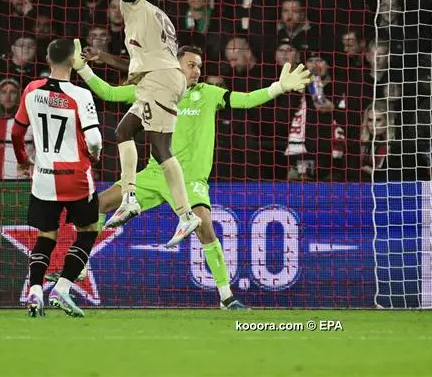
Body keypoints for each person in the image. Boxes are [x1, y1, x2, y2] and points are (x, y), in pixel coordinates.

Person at [56, 42, 310, 309]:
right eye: (191, 65)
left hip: (190, 181)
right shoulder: (152, 91)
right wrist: (83, 68)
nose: (197, 71)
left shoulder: (209, 94)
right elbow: (107, 93)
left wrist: (279, 87)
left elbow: (245, 100)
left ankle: (226, 296)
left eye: (199, 66)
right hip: (155, 174)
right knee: (97, 204)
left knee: (205, 227)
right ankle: (81, 263)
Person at [80, 0, 200, 248]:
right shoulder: (157, 21)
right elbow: (137, 65)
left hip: (160, 81)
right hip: (157, 79)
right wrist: (102, 57)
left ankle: (186, 214)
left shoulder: (136, 6)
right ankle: (130, 196)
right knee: (124, 131)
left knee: (161, 149)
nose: (115, 9)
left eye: (116, 4)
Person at [11, 39, 103, 318]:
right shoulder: (80, 94)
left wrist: (22, 161)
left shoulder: (30, 90)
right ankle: (62, 288)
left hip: (44, 177)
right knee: (88, 231)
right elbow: (95, 138)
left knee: (46, 235)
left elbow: (17, 134)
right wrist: (95, 155)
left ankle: (35, 290)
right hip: (76, 176)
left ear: (48, 60)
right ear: (74, 60)